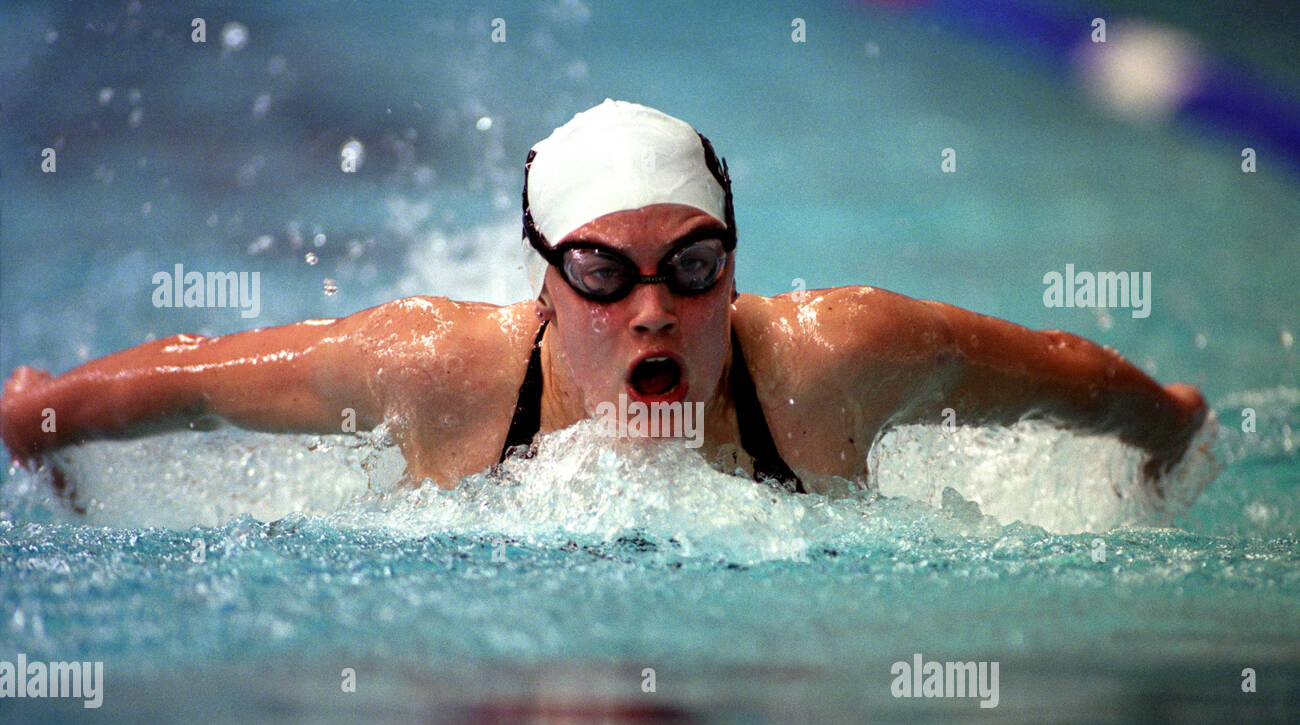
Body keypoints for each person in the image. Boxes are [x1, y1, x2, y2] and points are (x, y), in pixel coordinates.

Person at [1, 99, 1206, 497]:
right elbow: (202, 378)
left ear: (733, 261)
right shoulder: (439, 372)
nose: (649, 312)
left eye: (690, 266)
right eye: (600, 272)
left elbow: (1064, 373)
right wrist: (46, 414)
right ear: (544, 277)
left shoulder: (841, 359)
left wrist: (1167, 426)